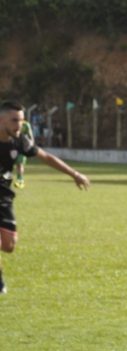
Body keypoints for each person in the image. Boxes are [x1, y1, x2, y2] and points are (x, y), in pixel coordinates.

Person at [0, 100, 90, 294]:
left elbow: (47, 158)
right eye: (14, 120)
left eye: (21, 120)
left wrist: (74, 174)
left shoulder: (20, 140)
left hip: (4, 197)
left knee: (9, 245)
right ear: (1, 120)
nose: (19, 125)